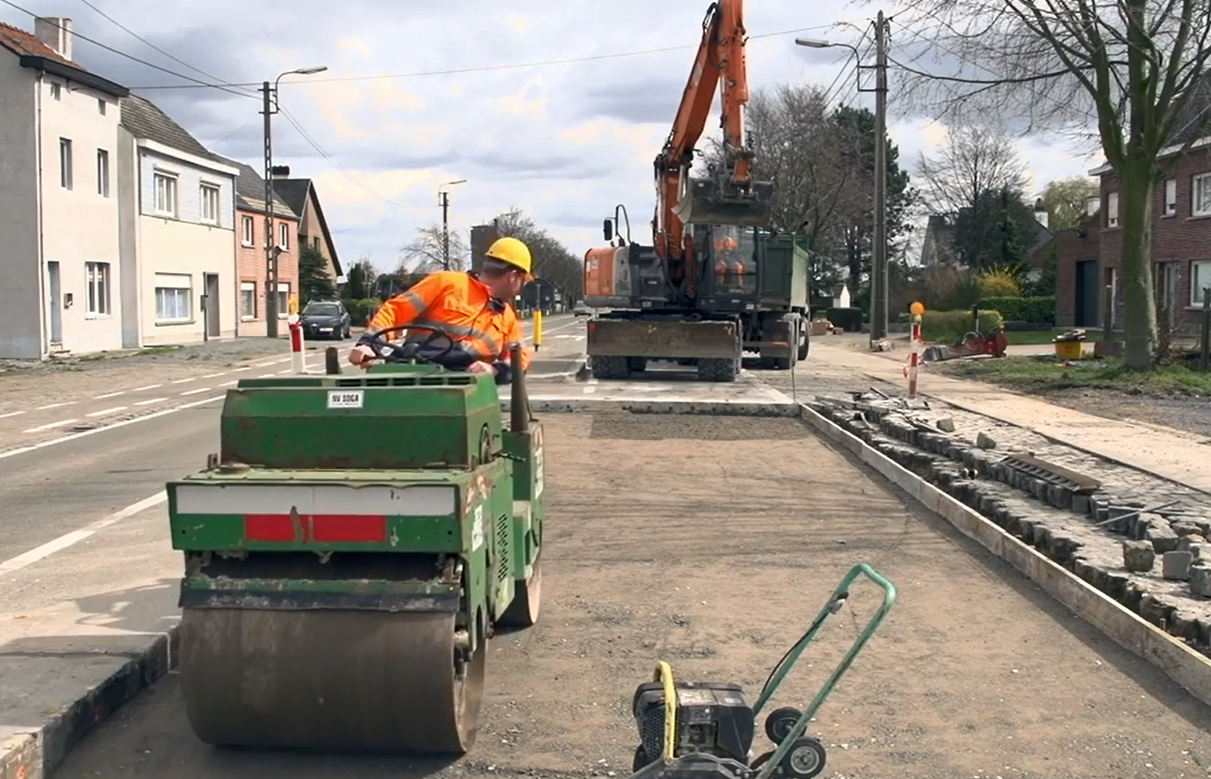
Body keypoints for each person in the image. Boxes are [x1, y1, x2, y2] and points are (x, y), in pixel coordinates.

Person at [347, 236, 534, 383]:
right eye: (524, 281)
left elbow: (519, 360)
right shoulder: (446, 283)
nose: (522, 287)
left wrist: (494, 370)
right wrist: (369, 345)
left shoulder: (507, 318)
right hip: (412, 373)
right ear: (513, 276)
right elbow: (396, 311)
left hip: (465, 386)